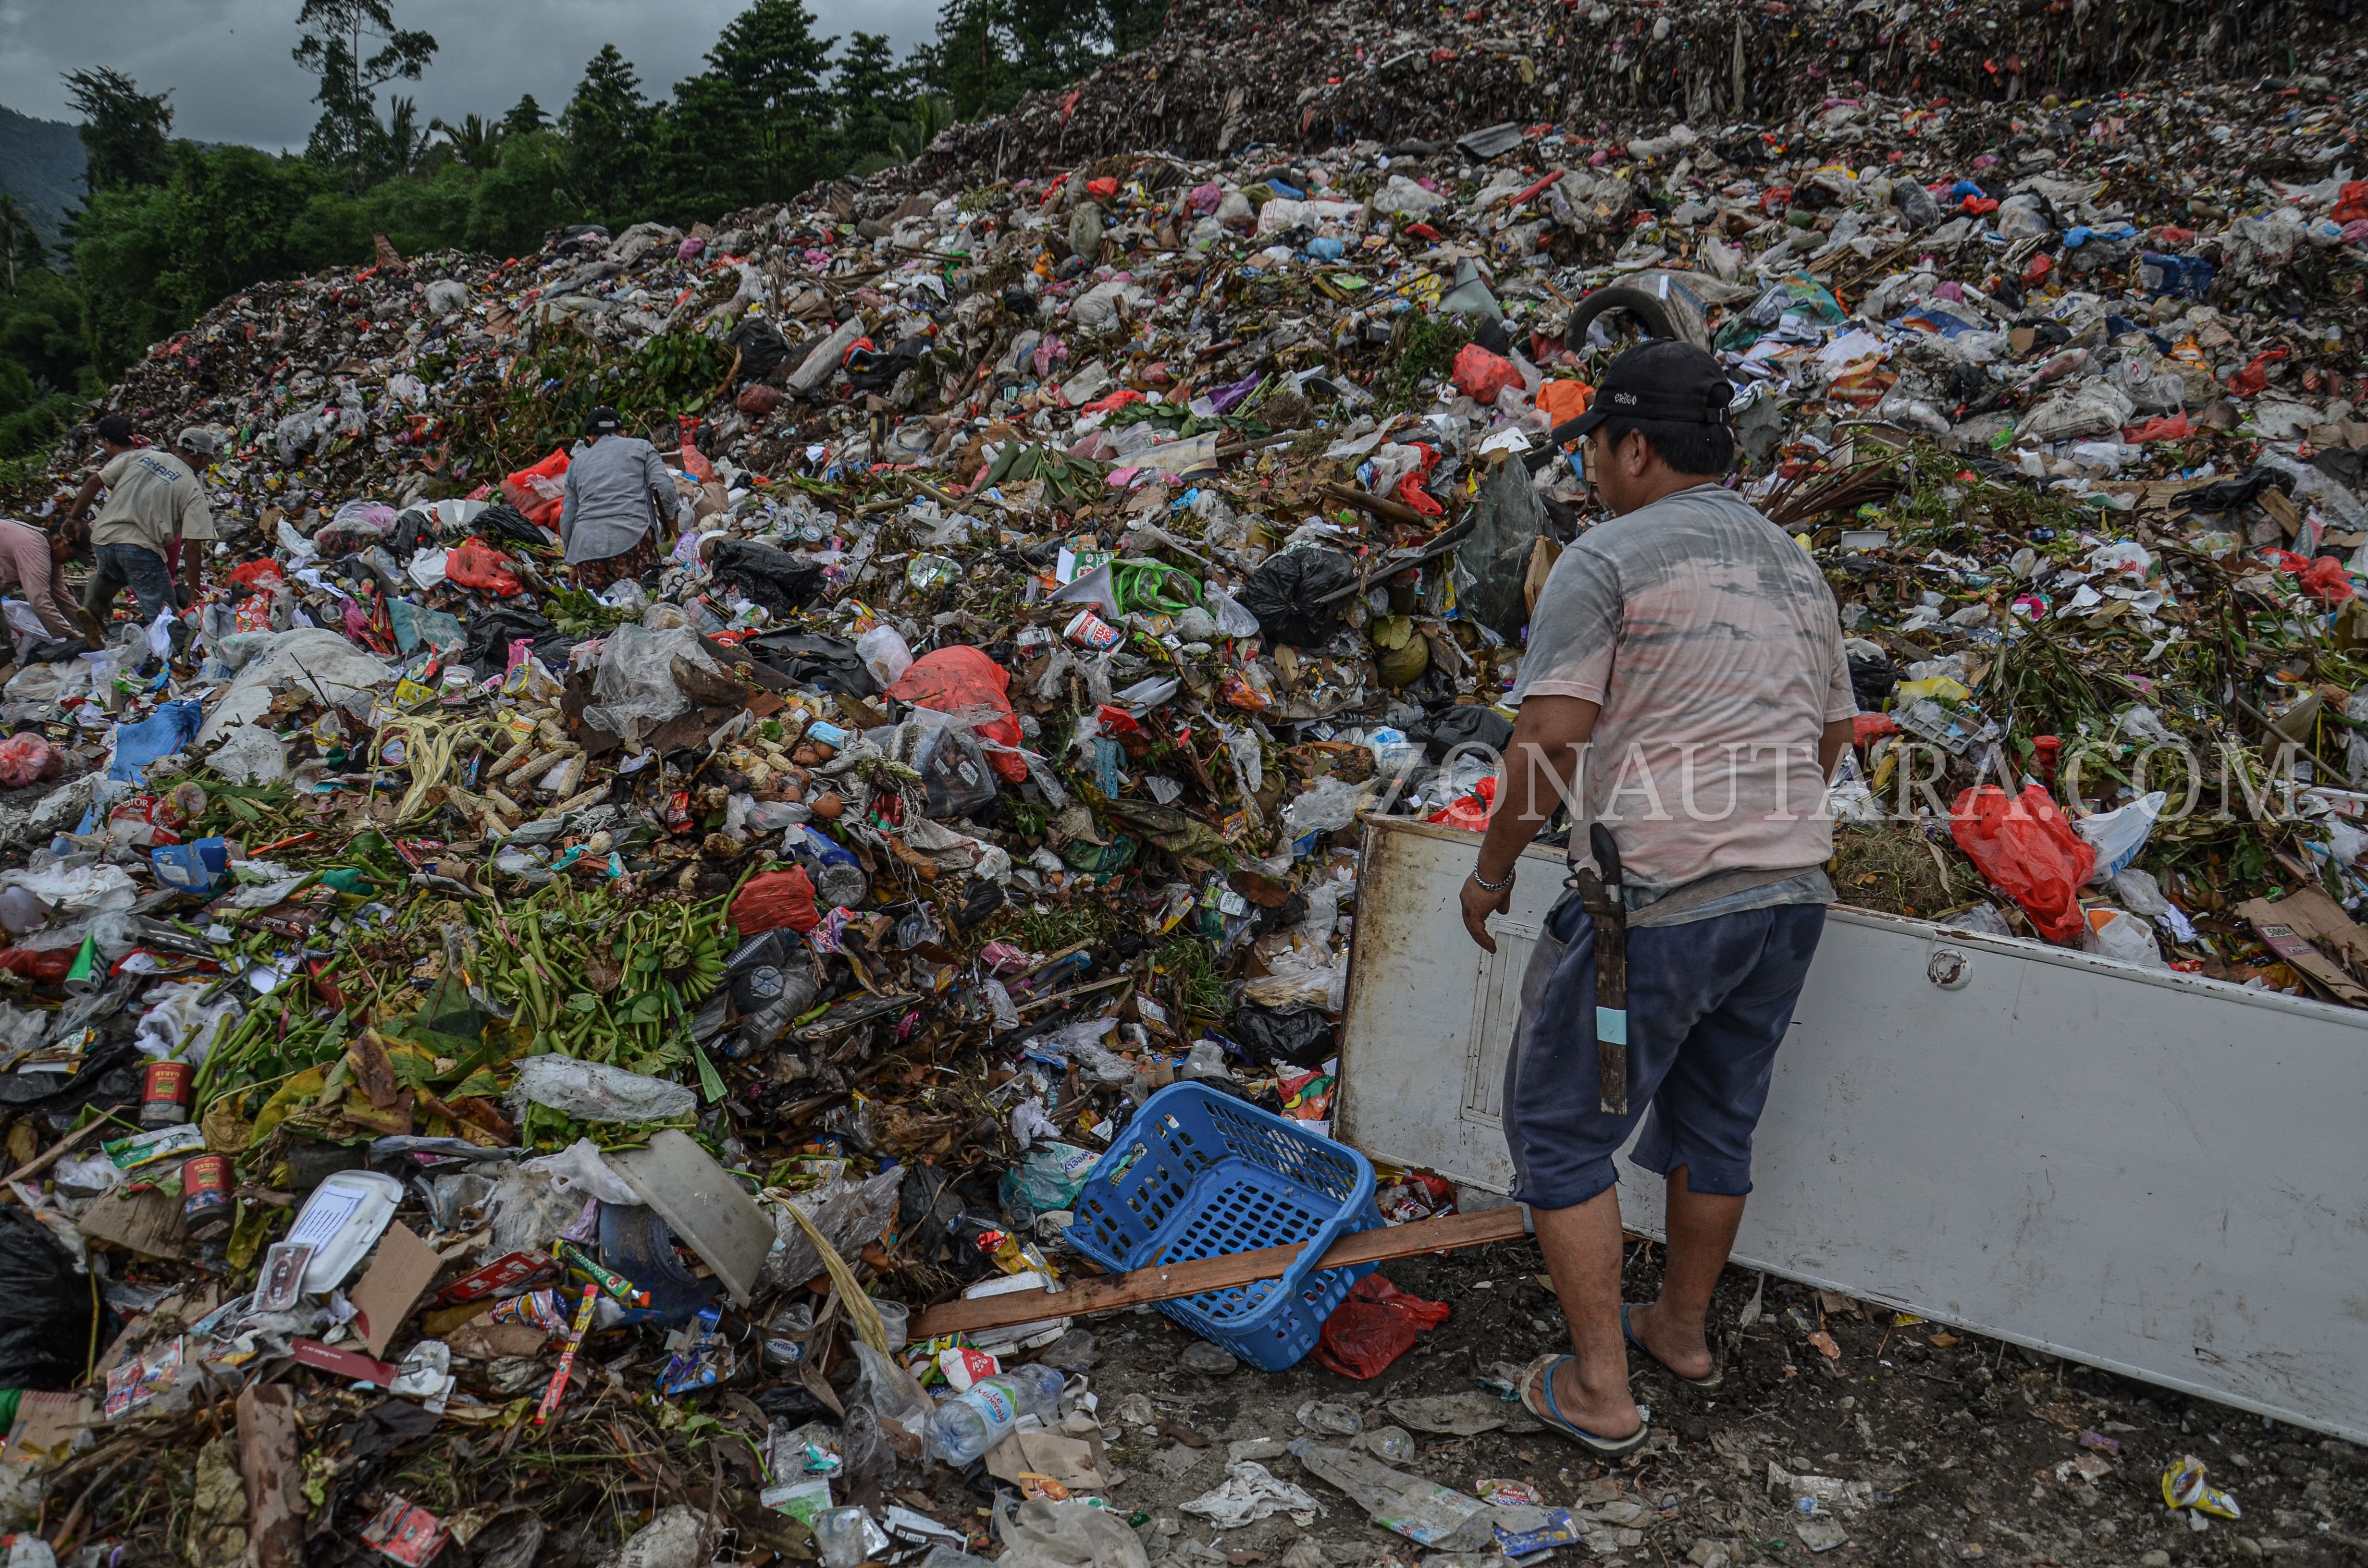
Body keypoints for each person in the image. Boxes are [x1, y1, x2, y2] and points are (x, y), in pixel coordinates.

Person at [1457, 341, 1856, 1456]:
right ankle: (1679, 1331)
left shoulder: (1609, 557)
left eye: (1596, 449)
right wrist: (1760, 826)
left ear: (1633, 445)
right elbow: (1834, 734)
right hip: (1787, 899)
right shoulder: (1794, 563)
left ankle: (1601, 1388)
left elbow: (1547, 738)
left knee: (1559, 1130)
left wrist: (1492, 869)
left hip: (1656, 905)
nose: (1591, 472)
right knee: (1716, 1119)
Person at [63, 414, 212, 642]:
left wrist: (74, 519)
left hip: (103, 538)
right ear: (203, 461)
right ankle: (174, 662)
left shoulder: (143, 456)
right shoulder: (192, 489)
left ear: (175, 447)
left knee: (110, 574)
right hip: (139, 549)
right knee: (165, 618)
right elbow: (192, 547)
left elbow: (94, 482)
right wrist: (194, 594)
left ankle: (92, 608)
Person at [559, 407, 679, 591]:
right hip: (633, 542)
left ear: (589, 439)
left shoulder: (575, 465)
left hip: (586, 553)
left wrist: (573, 563)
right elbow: (665, 489)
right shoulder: (642, 447)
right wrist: (674, 533)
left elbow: (568, 518)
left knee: (607, 613)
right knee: (650, 603)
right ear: (623, 432)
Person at [0, 517, 83, 662]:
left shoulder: (52, 552)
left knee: (4, 641)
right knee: (3, 641)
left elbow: (60, 594)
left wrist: (86, 626)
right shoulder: (33, 547)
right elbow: (40, 602)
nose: (70, 561)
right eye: (71, 555)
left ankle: (6, 668)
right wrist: (72, 636)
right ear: (57, 542)